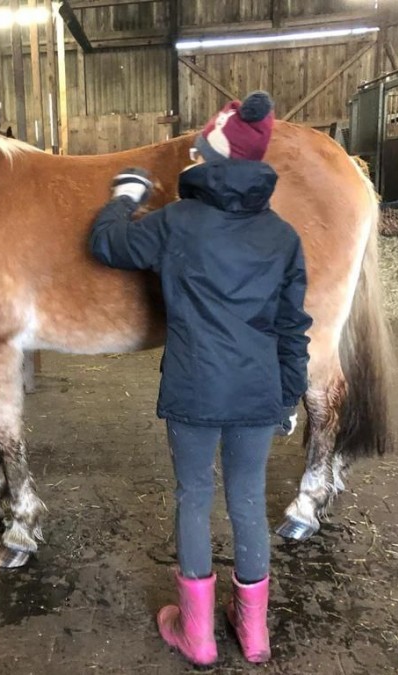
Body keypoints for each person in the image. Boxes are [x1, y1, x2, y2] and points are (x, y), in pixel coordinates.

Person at [88, 91, 312, 666]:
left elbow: (107, 244)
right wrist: (288, 395)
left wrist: (125, 197)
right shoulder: (283, 236)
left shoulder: (177, 222)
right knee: (247, 498)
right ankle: (254, 634)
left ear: (211, 157)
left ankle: (199, 636)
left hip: (193, 389)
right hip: (259, 391)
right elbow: (293, 326)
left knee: (194, 497)